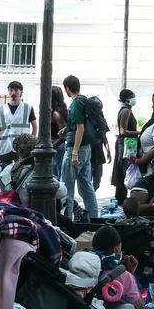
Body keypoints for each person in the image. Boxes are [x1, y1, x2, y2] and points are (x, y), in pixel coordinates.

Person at [60, 75, 99, 220]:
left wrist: (74, 152)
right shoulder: (84, 100)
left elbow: (80, 128)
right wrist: (67, 129)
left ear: (67, 88)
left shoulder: (76, 103)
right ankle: (93, 219)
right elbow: (79, 126)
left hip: (76, 149)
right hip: (86, 149)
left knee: (67, 188)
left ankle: (66, 221)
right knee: (86, 187)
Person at [91, 225, 143, 309]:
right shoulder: (124, 276)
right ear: (115, 249)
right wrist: (131, 274)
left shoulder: (86, 264)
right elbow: (140, 308)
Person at [0, 81, 36, 165]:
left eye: (16, 90)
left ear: (21, 92)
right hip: (4, 148)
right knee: (4, 172)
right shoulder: (1, 109)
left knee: (22, 172)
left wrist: (30, 144)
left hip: (22, 148)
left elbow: (35, 127)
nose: (13, 93)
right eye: (11, 90)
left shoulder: (27, 108)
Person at [113, 89, 140, 203]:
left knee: (122, 172)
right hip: (125, 145)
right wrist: (140, 133)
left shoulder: (126, 110)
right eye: (132, 97)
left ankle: (121, 199)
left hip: (125, 144)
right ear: (126, 100)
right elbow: (123, 131)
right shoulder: (126, 112)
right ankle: (122, 200)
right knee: (125, 172)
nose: (134, 99)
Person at [51, 86, 69, 180]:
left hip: (56, 146)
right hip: (56, 146)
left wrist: (53, 146)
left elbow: (63, 135)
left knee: (56, 175)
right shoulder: (56, 112)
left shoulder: (56, 114)